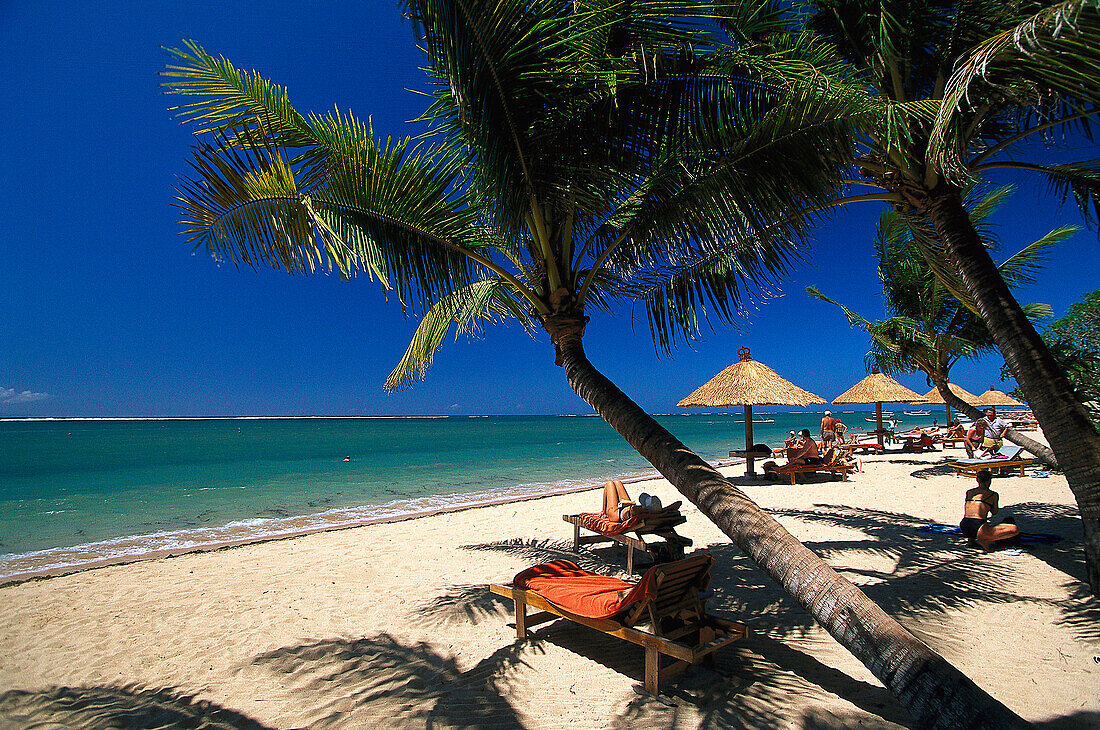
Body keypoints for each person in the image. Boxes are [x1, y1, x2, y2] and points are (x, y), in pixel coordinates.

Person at [960, 469, 1021, 551]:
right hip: (979, 526)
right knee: (1014, 529)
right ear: (989, 481)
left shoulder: (969, 492)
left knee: (979, 522)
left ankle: (971, 540)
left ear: (977, 480)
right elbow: (994, 512)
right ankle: (986, 540)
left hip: (964, 525)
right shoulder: (993, 494)